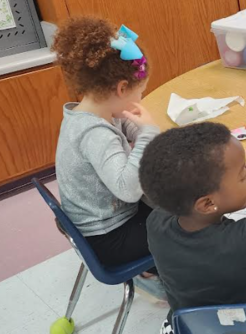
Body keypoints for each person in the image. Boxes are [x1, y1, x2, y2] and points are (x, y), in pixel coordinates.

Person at [138, 123, 246, 330]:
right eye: (242, 175)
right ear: (207, 204)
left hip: (187, 324)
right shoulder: (243, 237)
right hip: (237, 327)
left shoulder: (156, 221)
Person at [52, 17, 163, 296]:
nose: (140, 101)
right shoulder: (94, 134)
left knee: (172, 203)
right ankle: (181, 286)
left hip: (105, 224)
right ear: (121, 88)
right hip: (109, 238)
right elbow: (128, 190)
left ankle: (157, 267)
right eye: (140, 93)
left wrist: (134, 125)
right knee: (192, 220)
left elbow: (117, 124)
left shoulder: (86, 113)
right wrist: (148, 133)